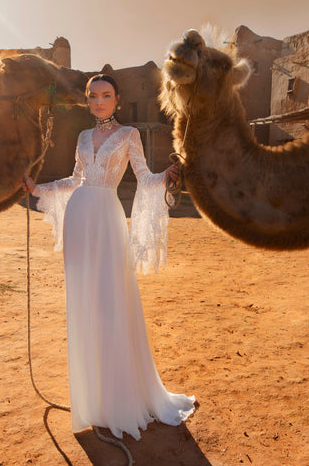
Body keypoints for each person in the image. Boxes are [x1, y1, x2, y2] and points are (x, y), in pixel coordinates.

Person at [22, 74, 195, 440]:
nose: (99, 102)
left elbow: (144, 178)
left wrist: (166, 176)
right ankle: (95, 401)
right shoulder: (84, 138)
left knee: (110, 302)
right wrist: (39, 188)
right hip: (80, 220)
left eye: (106, 95)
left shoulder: (130, 134)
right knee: (85, 304)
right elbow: (74, 180)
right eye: (93, 96)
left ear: (118, 99)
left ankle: (121, 398)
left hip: (107, 219)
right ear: (87, 100)